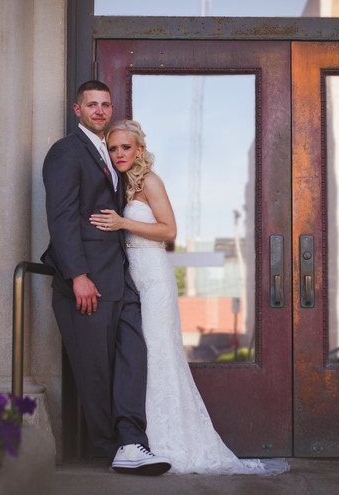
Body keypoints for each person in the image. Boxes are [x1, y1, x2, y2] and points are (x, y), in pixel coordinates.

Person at [89, 119, 289, 475]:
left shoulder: (150, 181)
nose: (120, 153)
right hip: (131, 281)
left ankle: (168, 443)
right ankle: (140, 440)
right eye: (114, 147)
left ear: (139, 149)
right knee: (140, 359)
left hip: (155, 280)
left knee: (158, 355)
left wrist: (123, 223)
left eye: (126, 147)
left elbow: (169, 230)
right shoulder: (120, 183)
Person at [41, 81, 171, 475]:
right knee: (95, 368)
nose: (99, 110)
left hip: (120, 278)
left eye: (105, 104)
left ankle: (132, 441)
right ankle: (114, 446)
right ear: (77, 109)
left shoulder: (108, 155)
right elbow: (62, 217)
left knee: (133, 357)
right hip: (87, 283)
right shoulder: (66, 152)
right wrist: (78, 275)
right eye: (91, 104)